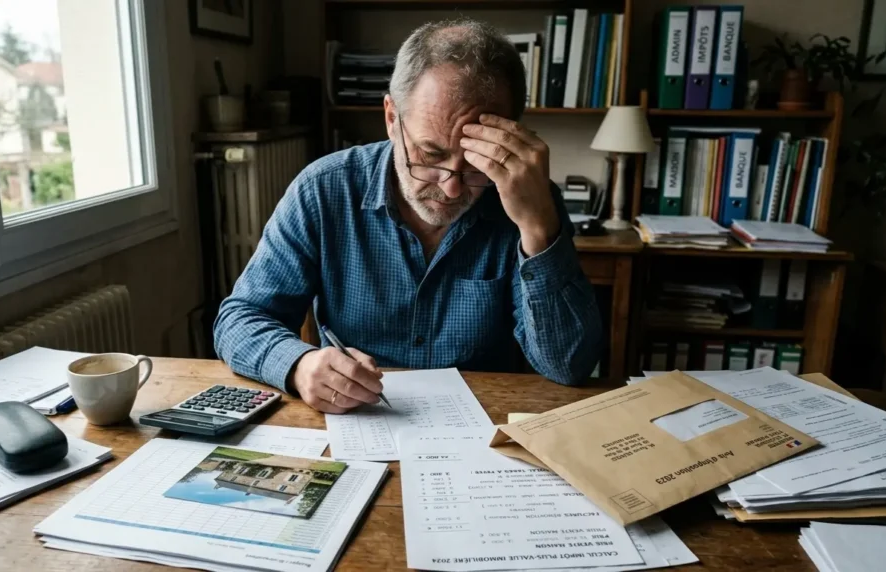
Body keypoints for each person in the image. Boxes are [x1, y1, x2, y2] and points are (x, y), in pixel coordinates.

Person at [214, 18, 603, 413]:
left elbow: (568, 366)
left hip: (486, 427)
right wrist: (299, 364)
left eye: (476, 163)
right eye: (430, 155)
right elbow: (240, 319)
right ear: (391, 118)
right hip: (356, 419)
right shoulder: (324, 190)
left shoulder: (531, 200)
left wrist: (537, 227)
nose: (451, 188)